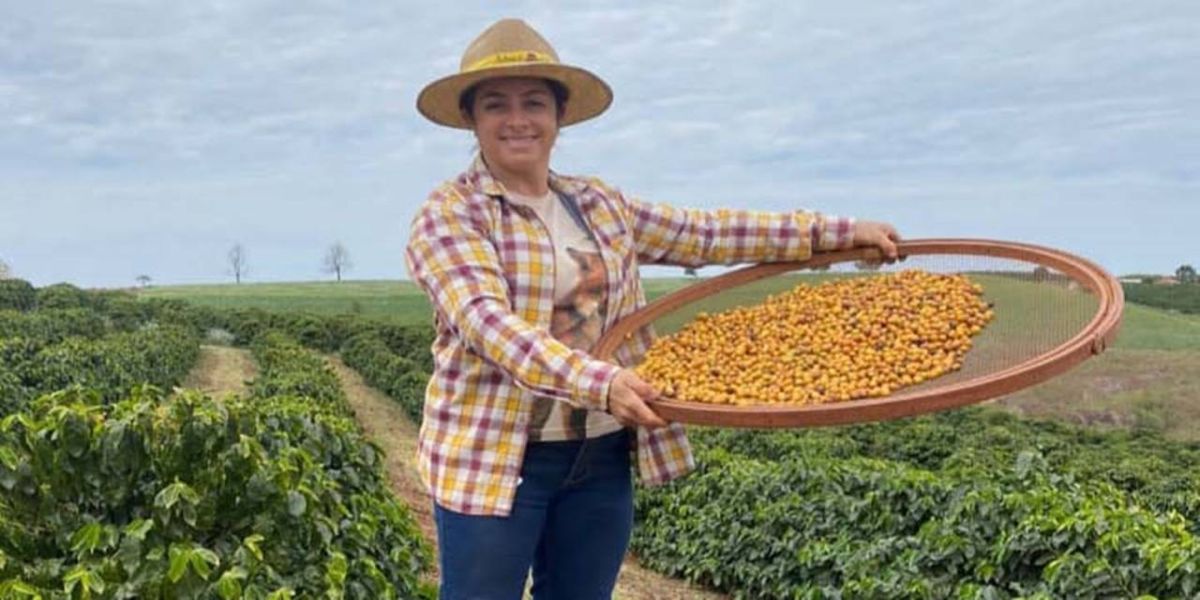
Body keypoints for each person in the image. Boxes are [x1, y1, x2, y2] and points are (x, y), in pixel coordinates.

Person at [405, 18, 900, 600]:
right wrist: (603, 383)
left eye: (534, 102)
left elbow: (705, 234)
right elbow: (488, 324)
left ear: (559, 115)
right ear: (472, 119)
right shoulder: (451, 214)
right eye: (496, 105)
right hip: (496, 457)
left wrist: (835, 234)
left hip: (599, 455)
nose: (518, 119)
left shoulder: (597, 203)